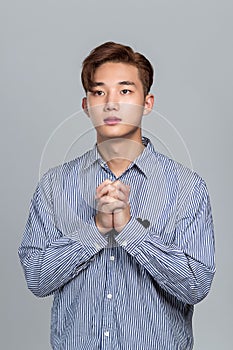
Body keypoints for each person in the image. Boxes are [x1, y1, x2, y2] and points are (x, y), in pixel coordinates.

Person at [18, 42, 215, 350]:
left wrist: (129, 230)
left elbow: (196, 284)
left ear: (146, 103)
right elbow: (37, 279)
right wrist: (96, 229)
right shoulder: (54, 185)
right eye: (99, 92)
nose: (111, 104)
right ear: (86, 106)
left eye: (125, 92)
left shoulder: (186, 187)